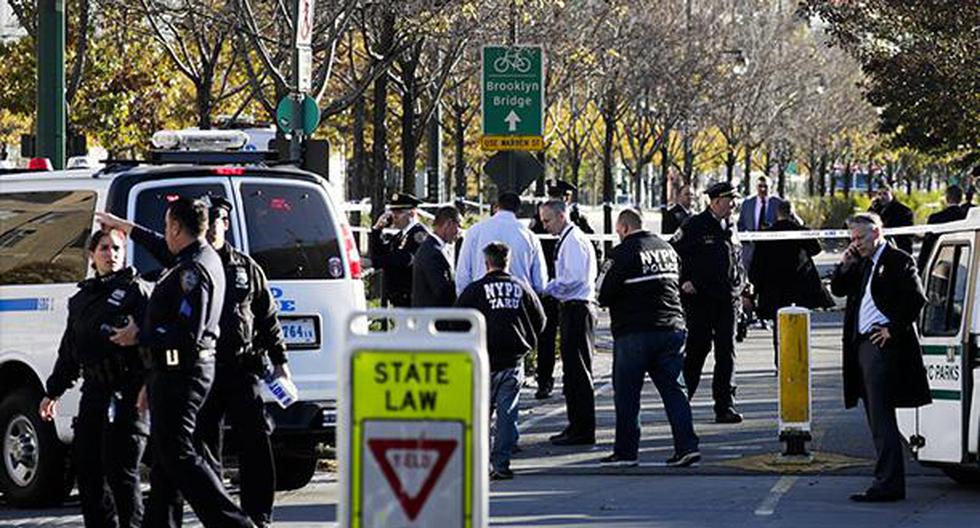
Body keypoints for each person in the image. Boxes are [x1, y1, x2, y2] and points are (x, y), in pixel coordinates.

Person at [99, 196, 290, 527]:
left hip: (193, 370)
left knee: (182, 455)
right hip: (174, 370)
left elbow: (187, 331)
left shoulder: (195, 269)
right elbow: (162, 247)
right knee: (167, 462)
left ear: (175, 226)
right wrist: (128, 228)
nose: (164, 233)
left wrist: (139, 335)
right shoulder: (195, 257)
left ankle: (237, 522)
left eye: (166, 225)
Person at [39, 229, 150, 528]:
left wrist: (147, 384)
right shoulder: (81, 299)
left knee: (121, 471)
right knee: (88, 469)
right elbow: (70, 351)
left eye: (116, 248)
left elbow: (155, 343)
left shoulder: (136, 291)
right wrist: (53, 392)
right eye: (104, 248)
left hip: (127, 390)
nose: (110, 254)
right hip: (95, 391)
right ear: (92, 255)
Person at [830, 212, 930, 502]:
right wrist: (845, 264)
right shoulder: (861, 262)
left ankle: (888, 483)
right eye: (852, 239)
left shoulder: (898, 260)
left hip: (881, 345)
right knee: (874, 415)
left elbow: (916, 299)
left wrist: (892, 329)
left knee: (881, 415)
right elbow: (838, 289)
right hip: (860, 345)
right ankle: (887, 480)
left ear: (877, 232)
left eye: (860, 238)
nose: (856, 243)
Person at [596, 209, 700, 468]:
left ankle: (626, 452)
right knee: (675, 391)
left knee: (628, 395)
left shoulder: (622, 253)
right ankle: (686, 447)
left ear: (623, 228)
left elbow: (603, 292)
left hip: (635, 331)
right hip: (671, 329)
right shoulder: (666, 249)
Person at [455, 242, 546, 480]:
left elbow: (455, 321)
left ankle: (478, 465)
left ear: (486, 263)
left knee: (480, 415)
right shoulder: (521, 287)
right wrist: (527, 340)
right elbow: (541, 319)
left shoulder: (475, 290)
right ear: (508, 262)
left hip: (483, 360)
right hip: (513, 360)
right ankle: (502, 464)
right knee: (508, 415)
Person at [459, 192, 549, 395]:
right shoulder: (529, 236)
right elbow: (540, 284)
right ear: (518, 209)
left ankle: (484, 425)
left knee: (481, 397)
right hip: (515, 322)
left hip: (481, 318)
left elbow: (463, 278)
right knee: (510, 399)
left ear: (495, 206)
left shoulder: (475, 231)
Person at [671, 181, 745, 424]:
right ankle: (681, 401)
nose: (733, 204)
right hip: (701, 300)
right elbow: (673, 253)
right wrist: (685, 281)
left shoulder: (731, 226)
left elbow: (737, 259)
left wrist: (745, 287)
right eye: (728, 199)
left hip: (728, 300)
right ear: (714, 202)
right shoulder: (694, 225)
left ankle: (725, 406)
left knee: (727, 353)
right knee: (697, 350)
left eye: (734, 199)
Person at [538, 199, 598, 445]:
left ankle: (582, 429)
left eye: (547, 220)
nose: (545, 226)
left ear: (561, 216)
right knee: (573, 373)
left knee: (579, 373)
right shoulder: (569, 238)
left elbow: (571, 280)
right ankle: (576, 425)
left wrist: (546, 287)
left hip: (578, 308)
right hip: (573, 308)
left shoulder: (573, 241)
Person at [749, 201, 834, 367]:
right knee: (800, 324)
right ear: (792, 213)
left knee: (778, 329)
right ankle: (799, 360)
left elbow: (757, 263)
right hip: (799, 287)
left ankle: (780, 363)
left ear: (777, 213)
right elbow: (816, 249)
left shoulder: (767, 234)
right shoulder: (800, 232)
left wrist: (754, 290)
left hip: (774, 288)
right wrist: (802, 224)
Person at [369, 192, 430, 307]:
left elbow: (404, 259)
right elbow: (381, 253)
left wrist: (374, 262)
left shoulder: (419, 234)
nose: (394, 217)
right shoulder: (400, 236)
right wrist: (377, 230)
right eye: (393, 213)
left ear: (412, 213)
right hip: (399, 299)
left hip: (411, 299)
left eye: (398, 213)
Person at [412, 206, 462, 307]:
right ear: (448, 223)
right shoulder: (432, 252)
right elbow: (442, 290)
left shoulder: (434, 247)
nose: (458, 232)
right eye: (458, 226)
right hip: (431, 317)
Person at [918, 185, 967, 270]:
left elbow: (927, 248)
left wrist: (920, 268)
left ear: (947, 198)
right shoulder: (968, 218)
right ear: (961, 199)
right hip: (966, 263)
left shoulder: (935, 218)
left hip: (940, 266)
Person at [869, 181, 914, 255]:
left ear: (892, 194)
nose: (882, 197)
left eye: (885, 194)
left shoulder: (904, 211)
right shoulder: (876, 209)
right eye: (879, 194)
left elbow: (906, 235)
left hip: (898, 249)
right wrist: (872, 209)